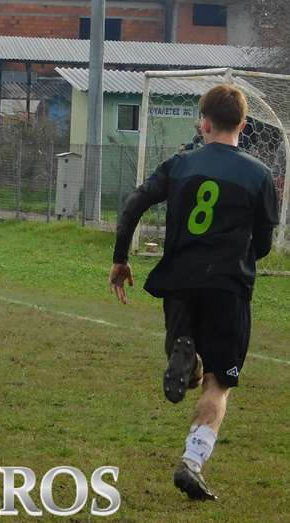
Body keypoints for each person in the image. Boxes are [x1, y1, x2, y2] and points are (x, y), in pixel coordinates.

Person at [108, 85, 279, 500]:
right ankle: (192, 461)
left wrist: (121, 259)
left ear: (203, 123)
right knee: (220, 383)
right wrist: (240, 255)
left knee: (188, 363)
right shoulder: (259, 174)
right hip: (227, 287)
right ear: (243, 125)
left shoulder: (181, 164)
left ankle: (188, 357)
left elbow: (134, 203)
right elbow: (263, 243)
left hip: (180, 281)